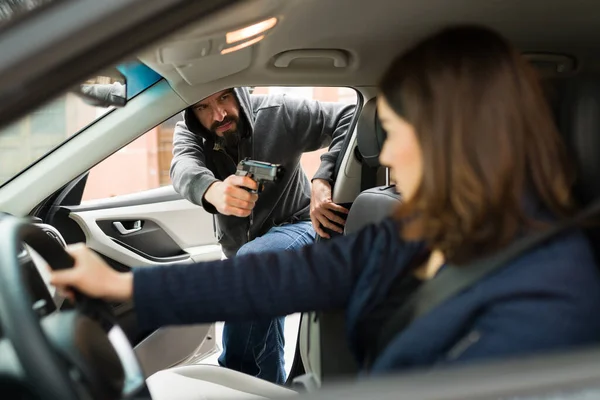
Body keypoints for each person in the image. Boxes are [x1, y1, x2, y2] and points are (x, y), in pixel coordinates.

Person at [51, 25, 600, 381]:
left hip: (291, 226)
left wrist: (324, 178)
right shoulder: (407, 232)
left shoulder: (555, 288)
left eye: (394, 130)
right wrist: (124, 287)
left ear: (454, 136)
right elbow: (267, 279)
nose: (386, 151)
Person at [169, 86, 355, 383]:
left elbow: (351, 116)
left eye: (223, 98)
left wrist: (324, 176)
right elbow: (182, 166)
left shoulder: (278, 111)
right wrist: (211, 189)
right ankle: (267, 387)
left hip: (301, 228)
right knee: (261, 331)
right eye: (203, 107)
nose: (218, 114)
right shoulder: (191, 133)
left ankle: (236, 382)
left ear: (238, 91)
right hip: (248, 251)